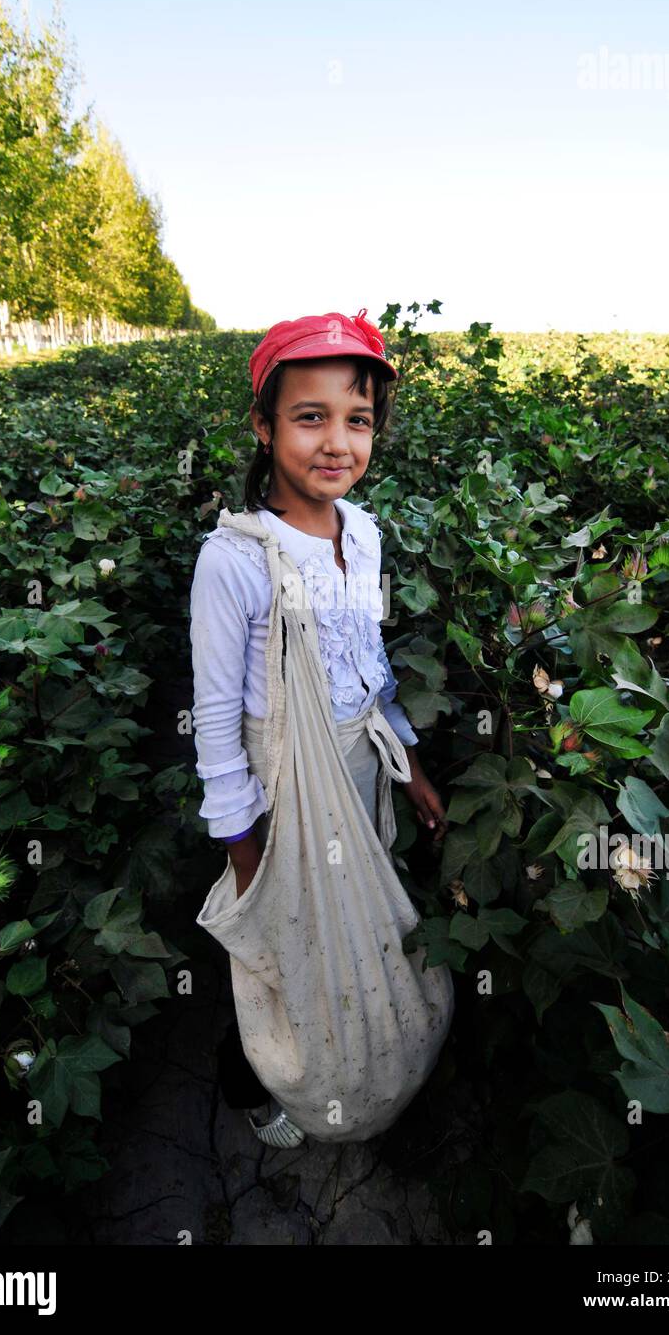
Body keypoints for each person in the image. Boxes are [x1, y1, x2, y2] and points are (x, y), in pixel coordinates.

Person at [189, 309, 451, 1148]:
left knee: (349, 929)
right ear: (264, 428)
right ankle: (255, 1086)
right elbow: (218, 721)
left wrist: (405, 759)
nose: (337, 442)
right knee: (279, 947)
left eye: (358, 419)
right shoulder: (233, 561)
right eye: (310, 417)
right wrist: (243, 847)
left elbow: (366, 661)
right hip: (283, 786)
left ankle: (351, 1064)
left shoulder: (363, 535)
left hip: (357, 766)